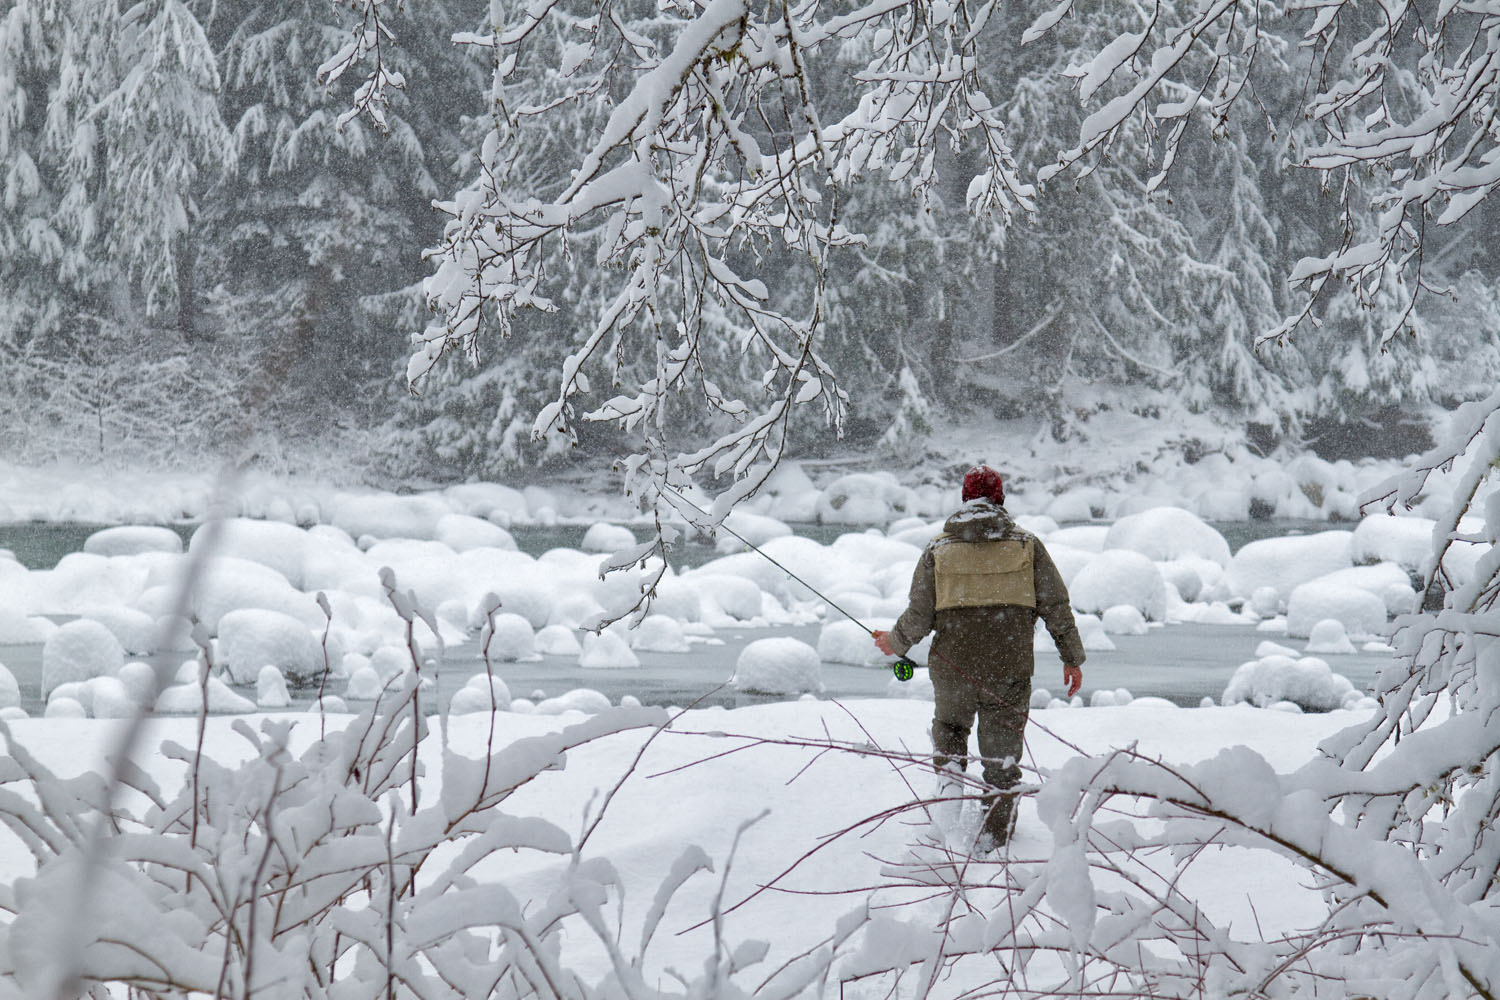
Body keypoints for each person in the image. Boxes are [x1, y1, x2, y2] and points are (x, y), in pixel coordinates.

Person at [874, 465, 1085, 851]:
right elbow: (1056, 605)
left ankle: (950, 786)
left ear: (964, 499)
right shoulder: (1028, 546)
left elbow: (920, 615)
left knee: (951, 728)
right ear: (1000, 498)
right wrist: (1072, 657)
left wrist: (895, 642)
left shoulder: (938, 549)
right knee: (1001, 755)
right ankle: (994, 838)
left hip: (953, 665)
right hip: (1009, 666)